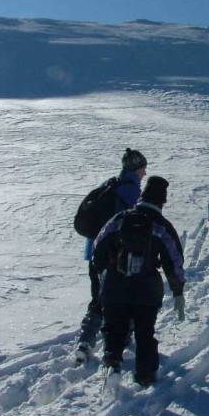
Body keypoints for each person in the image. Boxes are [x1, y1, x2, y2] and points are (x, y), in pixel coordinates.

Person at [93, 176, 185, 387]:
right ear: (162, 200)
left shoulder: (120, 218)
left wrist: (103, 272)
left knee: (114, 328)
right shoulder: (161, 226)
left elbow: (99, 245)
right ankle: (145, 374)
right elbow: (174, 261)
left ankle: (112, 363)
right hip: (146, 289)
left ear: (142, 195)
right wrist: (178, 291)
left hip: (116, 285)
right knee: (145, 332)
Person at [75, 148, 148, 363]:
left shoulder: (109, 184)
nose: (145, 173)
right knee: (125, 298)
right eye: (143, 168)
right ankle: (123, 339)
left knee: (98, 298)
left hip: (94, 254)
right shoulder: (132, 192)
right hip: (117, 257)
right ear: (136, 169)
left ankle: (86, 341)